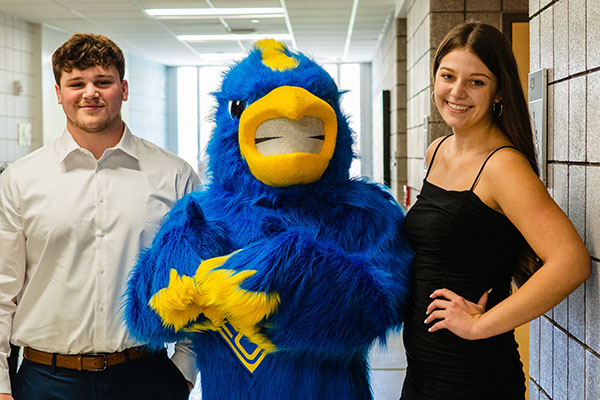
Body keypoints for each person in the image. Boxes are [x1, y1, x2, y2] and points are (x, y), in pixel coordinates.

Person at [0, 33, 200, 400]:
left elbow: (198, 276)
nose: (89, 92)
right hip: (46, 382)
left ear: (123, 90)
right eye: (76, 83)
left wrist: (184, 371)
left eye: (102, 82)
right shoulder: (20, 179)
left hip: (147, 376)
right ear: (59, 93)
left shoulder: (174, 175)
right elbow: (2, 288)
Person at [400, 22, 591, 399]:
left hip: (472, 374)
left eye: (476, 82)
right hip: (423, 366)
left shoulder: (504, 167)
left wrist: (479, 326)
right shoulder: (437, 151)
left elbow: (571, 262)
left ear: (498, 91)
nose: (457, 92)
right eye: (447, 76)